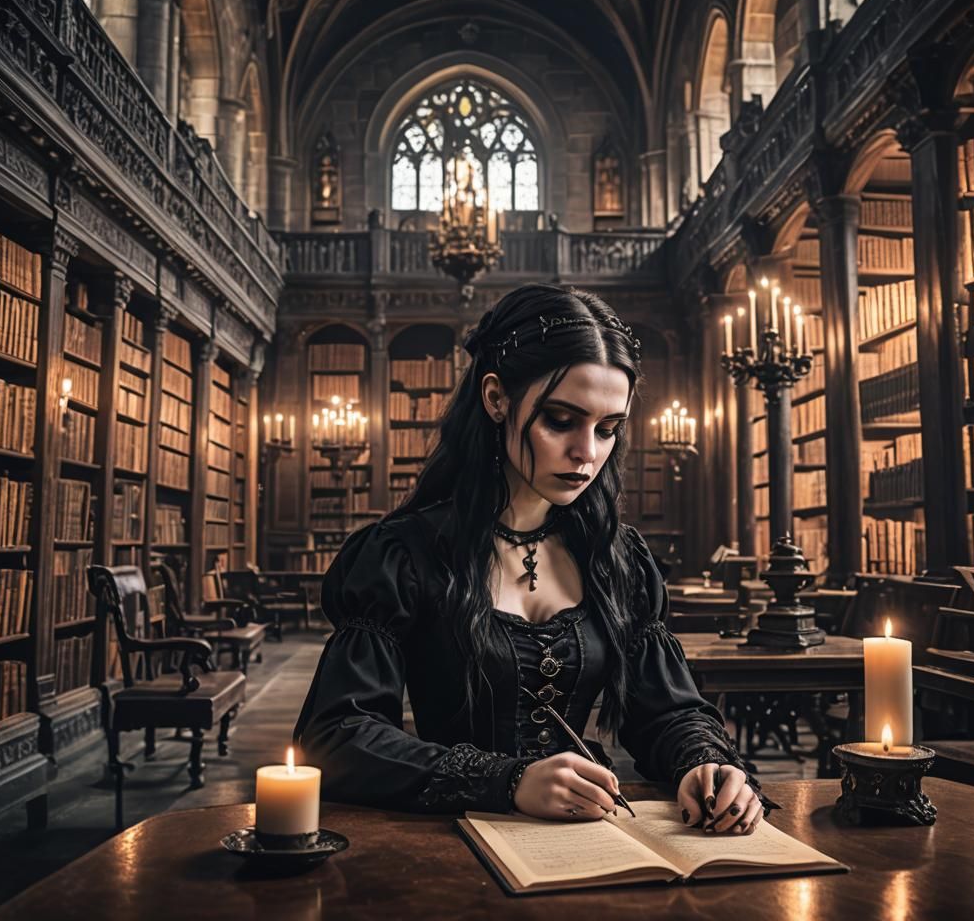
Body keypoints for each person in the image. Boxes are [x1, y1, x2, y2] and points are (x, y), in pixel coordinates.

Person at [295, 283, 773, 833]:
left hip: (598, 836)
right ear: (496, 399)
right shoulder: (404, 557)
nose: (587, 453)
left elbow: (668, 710)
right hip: (450, 840)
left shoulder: (616, 561)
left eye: (607, 429)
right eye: (560, 421)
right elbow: (338, 735)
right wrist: (508, 780)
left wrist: (703, 762)